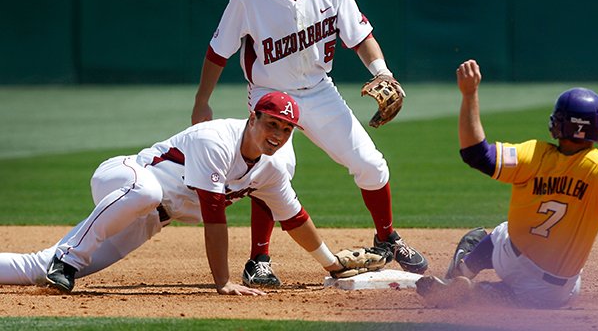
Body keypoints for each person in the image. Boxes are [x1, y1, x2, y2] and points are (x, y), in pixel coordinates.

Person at [191, 0, 427, 288]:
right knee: (271, 170)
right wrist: (202, 100)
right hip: (270, 94)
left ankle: (386, 238)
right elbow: (219, 50)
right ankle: (259, 260)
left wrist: (381, 71)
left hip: (319, 91)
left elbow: (360, 37)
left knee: (371, 164)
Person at [0, 92, 374, 295]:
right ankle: (66, 259)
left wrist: (332, 264)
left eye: (287, 129)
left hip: (146, 220)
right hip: (124, 178)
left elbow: (295, 219)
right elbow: (214, 218)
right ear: (253, 119)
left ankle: (60, 264)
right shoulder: (216, 140)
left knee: (38, 270)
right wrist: (222, 282)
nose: (277, 134)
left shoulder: (271, 169)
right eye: (272, 124)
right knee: (146, 191)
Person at [416, 59, 598, 309]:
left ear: (556, 125)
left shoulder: (534, 154)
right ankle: (477, 292)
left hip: (509, 256)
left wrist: (469, 94)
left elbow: (476, 154)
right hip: (553, 290)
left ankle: (462, 271)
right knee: (546, 293)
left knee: (503, 232)